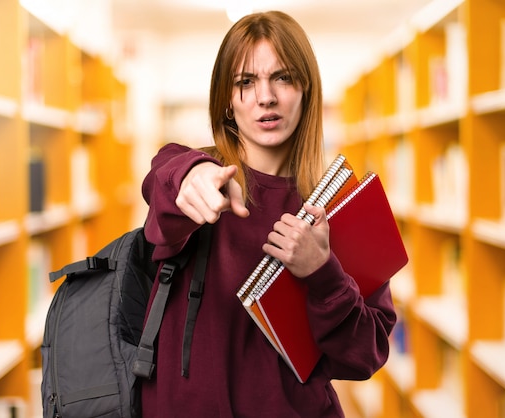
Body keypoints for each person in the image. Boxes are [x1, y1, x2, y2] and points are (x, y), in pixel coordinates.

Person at [140, 10, 396, 417]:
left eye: (284, 77)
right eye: (245, 82)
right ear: (226, 99)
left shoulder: (338, 205)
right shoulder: (195, 175)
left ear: (306, 90)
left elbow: (366, 356)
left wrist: (322, 273)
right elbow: (164, 181)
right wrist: (194, 176)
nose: (266, 97)